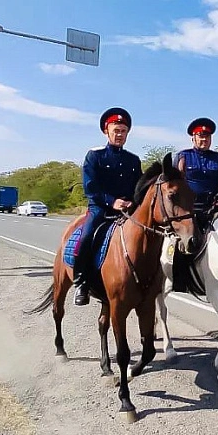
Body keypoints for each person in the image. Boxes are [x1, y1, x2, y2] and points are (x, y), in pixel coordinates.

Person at [72, 107, 142, 306]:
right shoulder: (94, 156)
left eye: (123, 131)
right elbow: (90, 187)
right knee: (86, 237)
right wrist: (113, 201)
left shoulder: (133, 160)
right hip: (100, 208)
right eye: (116, 130)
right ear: (106, 131)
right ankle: (81, 283)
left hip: (127, 210)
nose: (120, 134)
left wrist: (132, 202)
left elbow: (138, 187)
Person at [173, 117, 218, 232]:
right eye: (201, 136)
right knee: (178, 242)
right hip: (188, 209)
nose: (204, 139)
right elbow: (173, 182)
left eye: (207, 136)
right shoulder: (183, 157)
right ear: (193, 138)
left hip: (212, 208)